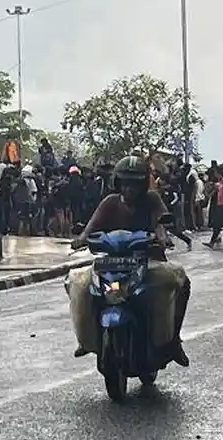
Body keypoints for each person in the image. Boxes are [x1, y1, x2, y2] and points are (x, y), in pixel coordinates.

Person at [70, 155, 192, 367]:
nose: (129, 188)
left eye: (135, 183)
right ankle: (86, 339)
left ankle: (173, 341)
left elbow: (160, 221)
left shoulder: (152, 200)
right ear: (117, 182)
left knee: (180, 281)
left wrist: (162, 236)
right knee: (77, 283)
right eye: (125, 183)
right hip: (111, 264)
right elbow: (91, 227)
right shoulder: (109, 202)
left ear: (143, 184)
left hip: (148, 262)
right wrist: (80, 239)